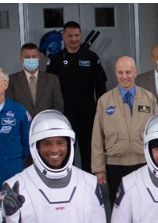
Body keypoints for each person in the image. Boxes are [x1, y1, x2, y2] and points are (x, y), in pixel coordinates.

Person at [92, 56, 155, 205]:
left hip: (143, 162)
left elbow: (156, 134)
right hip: (115, 165)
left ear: (135, 73)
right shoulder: (105, 101)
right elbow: (97, 137)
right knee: (118, 206)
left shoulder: (149, 98)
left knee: (144, 206)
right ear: (115, 73)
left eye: (128, 72)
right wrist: (98, 168)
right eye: (120, 72)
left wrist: (156, 164)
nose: (124, 77)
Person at [46, 21, 108, 174]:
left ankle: (90, 185)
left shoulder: (92, 57)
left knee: (89, 151)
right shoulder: (55, 60)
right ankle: (67, 182)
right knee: (65, 150)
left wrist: (101, 113)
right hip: (65, 113)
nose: (74, 39)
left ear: (80, 35)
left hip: (88, 113)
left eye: (77, 35)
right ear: (63, 36)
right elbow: (49, 89)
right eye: (70, 36)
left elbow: (101, 88)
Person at [7, 43, 65, 120]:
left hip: (46, 125)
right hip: (21, 126)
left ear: (38, 57)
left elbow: (58, 105)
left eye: (34, 56)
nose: (31, 59)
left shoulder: (52, 79)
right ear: (21, 59)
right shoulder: (12, 80)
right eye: (27, 57)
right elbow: (9, 106)